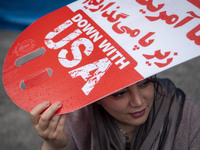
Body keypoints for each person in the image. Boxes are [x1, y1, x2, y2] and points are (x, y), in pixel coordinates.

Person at [30, 76, 200, 150]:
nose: (138, 102)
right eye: (120, 93)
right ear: (95, 97)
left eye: (144, 84)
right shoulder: (75, 121)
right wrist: (54, 146)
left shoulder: (185, 113)